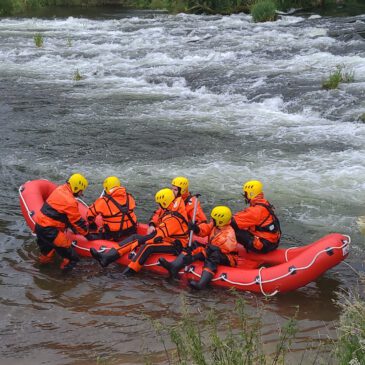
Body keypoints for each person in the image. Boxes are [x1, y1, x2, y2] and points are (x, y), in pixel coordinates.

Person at [90, 188, 189, 276]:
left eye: (159, 203)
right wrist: (150, 226)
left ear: (164, 203)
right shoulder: (171, 207)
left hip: (176, 245)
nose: (158, 205)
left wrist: (141, 242)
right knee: (135, 237)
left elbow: (158, 235)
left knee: (147, 247)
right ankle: (108, 257)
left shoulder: (173, 218)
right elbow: (158, 222)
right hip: (167, 237)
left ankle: (128, 272)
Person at [159, 206, 238, 290]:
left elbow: (211, 250)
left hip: (227, 257)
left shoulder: (228, 234)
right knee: (195, 244)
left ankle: (201, 284)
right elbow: (205, 229)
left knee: (214, 256)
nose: (211, 220)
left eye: (213, 219)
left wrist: (193, 257)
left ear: (220, 220)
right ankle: (175, 266)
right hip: (211, 249)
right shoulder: (216, 226)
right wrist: (196, 228)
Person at [34, 173, 89, 271]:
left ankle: (42, 272)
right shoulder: (70, 201)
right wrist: (88, 234)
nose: (82, 193)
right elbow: (77, 222)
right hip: (50, 230)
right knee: (72, 258)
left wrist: (72, 227)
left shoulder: (60, 189)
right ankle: (63, 279)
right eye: (81, 191)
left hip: (39, 226)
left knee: (47, 253)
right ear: (76, 188)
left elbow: (61, 214)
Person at [230, 180, 281, 254]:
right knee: (243, 226)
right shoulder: (264, 203)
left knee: (231, 228)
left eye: (245, 193)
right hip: (272, 242)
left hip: (264, 245)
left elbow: (232, 222)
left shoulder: (255, 210)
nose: (245, 195)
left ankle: (224, 250)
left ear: (251, 193)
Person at [86, 176, 137, 241]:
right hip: (131, 230)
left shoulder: (103, 201)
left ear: (106, 188)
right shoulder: (130, 197)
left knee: (93, 234)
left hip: (114, 234)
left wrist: (92, 224)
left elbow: (89, 216)